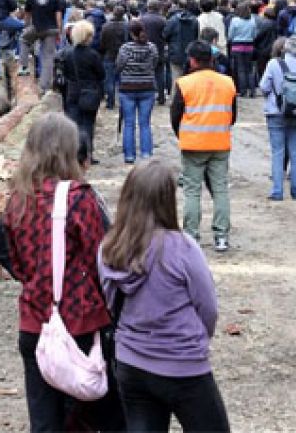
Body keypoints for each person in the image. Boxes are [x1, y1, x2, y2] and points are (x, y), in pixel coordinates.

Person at [0, 114, 118, 433]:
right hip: (82, 323)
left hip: (36, 324)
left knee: (46, 423)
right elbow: (102, 258)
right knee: (106, 418)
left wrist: (38, 281)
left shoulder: (17, 200)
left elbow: (5, 254)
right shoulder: (80, 198)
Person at [98, 160, 230, 433]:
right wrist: (196, 340)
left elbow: (110, 303)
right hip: (183, 364)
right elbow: (208, 307)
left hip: (131, 362)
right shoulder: (182, 248)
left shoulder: (109, 249)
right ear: (167, 199)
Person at [171, 40, 238, 252]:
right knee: (220, 189)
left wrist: (183, 135)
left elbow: (175, 116)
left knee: (192, 190)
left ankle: (191, 235)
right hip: (220, 142)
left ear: (192, 60)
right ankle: (221, 236)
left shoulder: (184, 83)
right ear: (211, 58)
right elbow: (232, 115)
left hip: (193, 144)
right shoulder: (228, 82)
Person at [259, 35, 296, 202]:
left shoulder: (274, 64)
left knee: (277, 152)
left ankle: (277, 191)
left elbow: (264, 86)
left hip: (275, 112)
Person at [59, 20, 105, 166]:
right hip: (90, 91)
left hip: (72, 91)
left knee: (73, 124)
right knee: (88, 124)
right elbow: (101, 74)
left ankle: (73, 154)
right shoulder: (93, 55)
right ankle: (88, 154)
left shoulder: (66, 53)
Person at [116, 19, 159, 163]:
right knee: (145, 123)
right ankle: (146, 153)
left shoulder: (125, 49)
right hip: (147, 87)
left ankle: (129, 155)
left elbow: (119, 66)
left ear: (131, 33)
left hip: (127, 88)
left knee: (129, 123)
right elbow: (154, 63)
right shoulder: (151, 48)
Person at [20, 0, 66, 94]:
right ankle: (44, 86)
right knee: (48, 57)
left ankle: (24, 66)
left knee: (23, 40)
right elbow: (58, 15)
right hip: (51, 29)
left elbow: (27, 14)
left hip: (36, 27)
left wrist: (26, 26)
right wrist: (59, 30)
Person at [99, 5, 130, 111]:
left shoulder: (106, 26)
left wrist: (102, 52)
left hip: (109, 55)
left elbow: (102, 42)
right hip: (124, 55)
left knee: (109, 80)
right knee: (123, 79)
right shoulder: (127, 26)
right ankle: (123, 102)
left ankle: (110, 102)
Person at [140, 0, 170, 105]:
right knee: (160, 74)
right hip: (159, 50)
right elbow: (166, 35)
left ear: (148, 7)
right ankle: (161, 97)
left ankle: (146, 97)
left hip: (144, 50)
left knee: (144, 74)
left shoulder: (142, 19)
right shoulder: (163, 20)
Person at [226, 0, 258, 98]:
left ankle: (243, 90)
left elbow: (230, 35)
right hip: (249, 46)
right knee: (249, 69)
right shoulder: (252, 20)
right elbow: (255, 35)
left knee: (240, 70)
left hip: (237, 46)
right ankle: (252, 90)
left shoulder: (235, 20)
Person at [165, 0, 200, 83]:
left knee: (176, 81)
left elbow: (165, 34)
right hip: (190, 54)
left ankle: (176, 95)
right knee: (190, 80)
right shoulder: (195, 20)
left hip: (175, 54)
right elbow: (196, 37)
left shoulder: (173, 20)